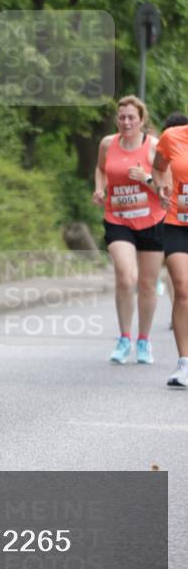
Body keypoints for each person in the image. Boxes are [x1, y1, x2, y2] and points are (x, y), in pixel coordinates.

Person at [92, 95, 165, 364]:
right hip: (118, 219)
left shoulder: (154, 147)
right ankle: (124, 339)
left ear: (141, 120)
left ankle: (143, 340)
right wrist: (100, 189)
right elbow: (100, 169)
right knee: (125, 277)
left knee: (147, 285)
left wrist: (145, 178)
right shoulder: (107, 144)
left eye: (131, 117)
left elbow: (165, 191)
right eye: (122, 117)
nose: (126, 122)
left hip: (152, 221)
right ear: (116, 120)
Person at [153, 113, 188, 388]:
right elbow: (158, 166)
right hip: (178, 222)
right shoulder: (172, 136)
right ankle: (184, 363)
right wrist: (161, 186)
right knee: (182, 288)